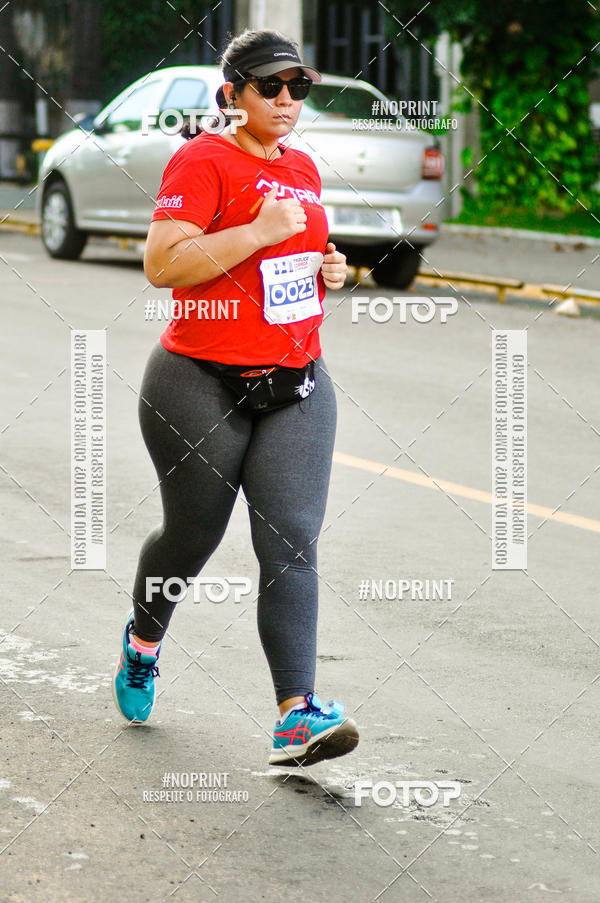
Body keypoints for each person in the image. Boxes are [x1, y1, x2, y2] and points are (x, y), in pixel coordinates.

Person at [112, 28, 359, 767]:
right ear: (233, 94)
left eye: (298, 87)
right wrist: (256, 230)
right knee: (191, 537)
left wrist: (327, 268)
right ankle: (143, 642)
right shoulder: (202, 160)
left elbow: (288, 266)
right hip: (198, 382)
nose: (286, 99)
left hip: (297, 381)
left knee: (291, 540)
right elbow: (164, 264)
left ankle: (295, 716)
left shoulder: (303, 167)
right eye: (269, 86)